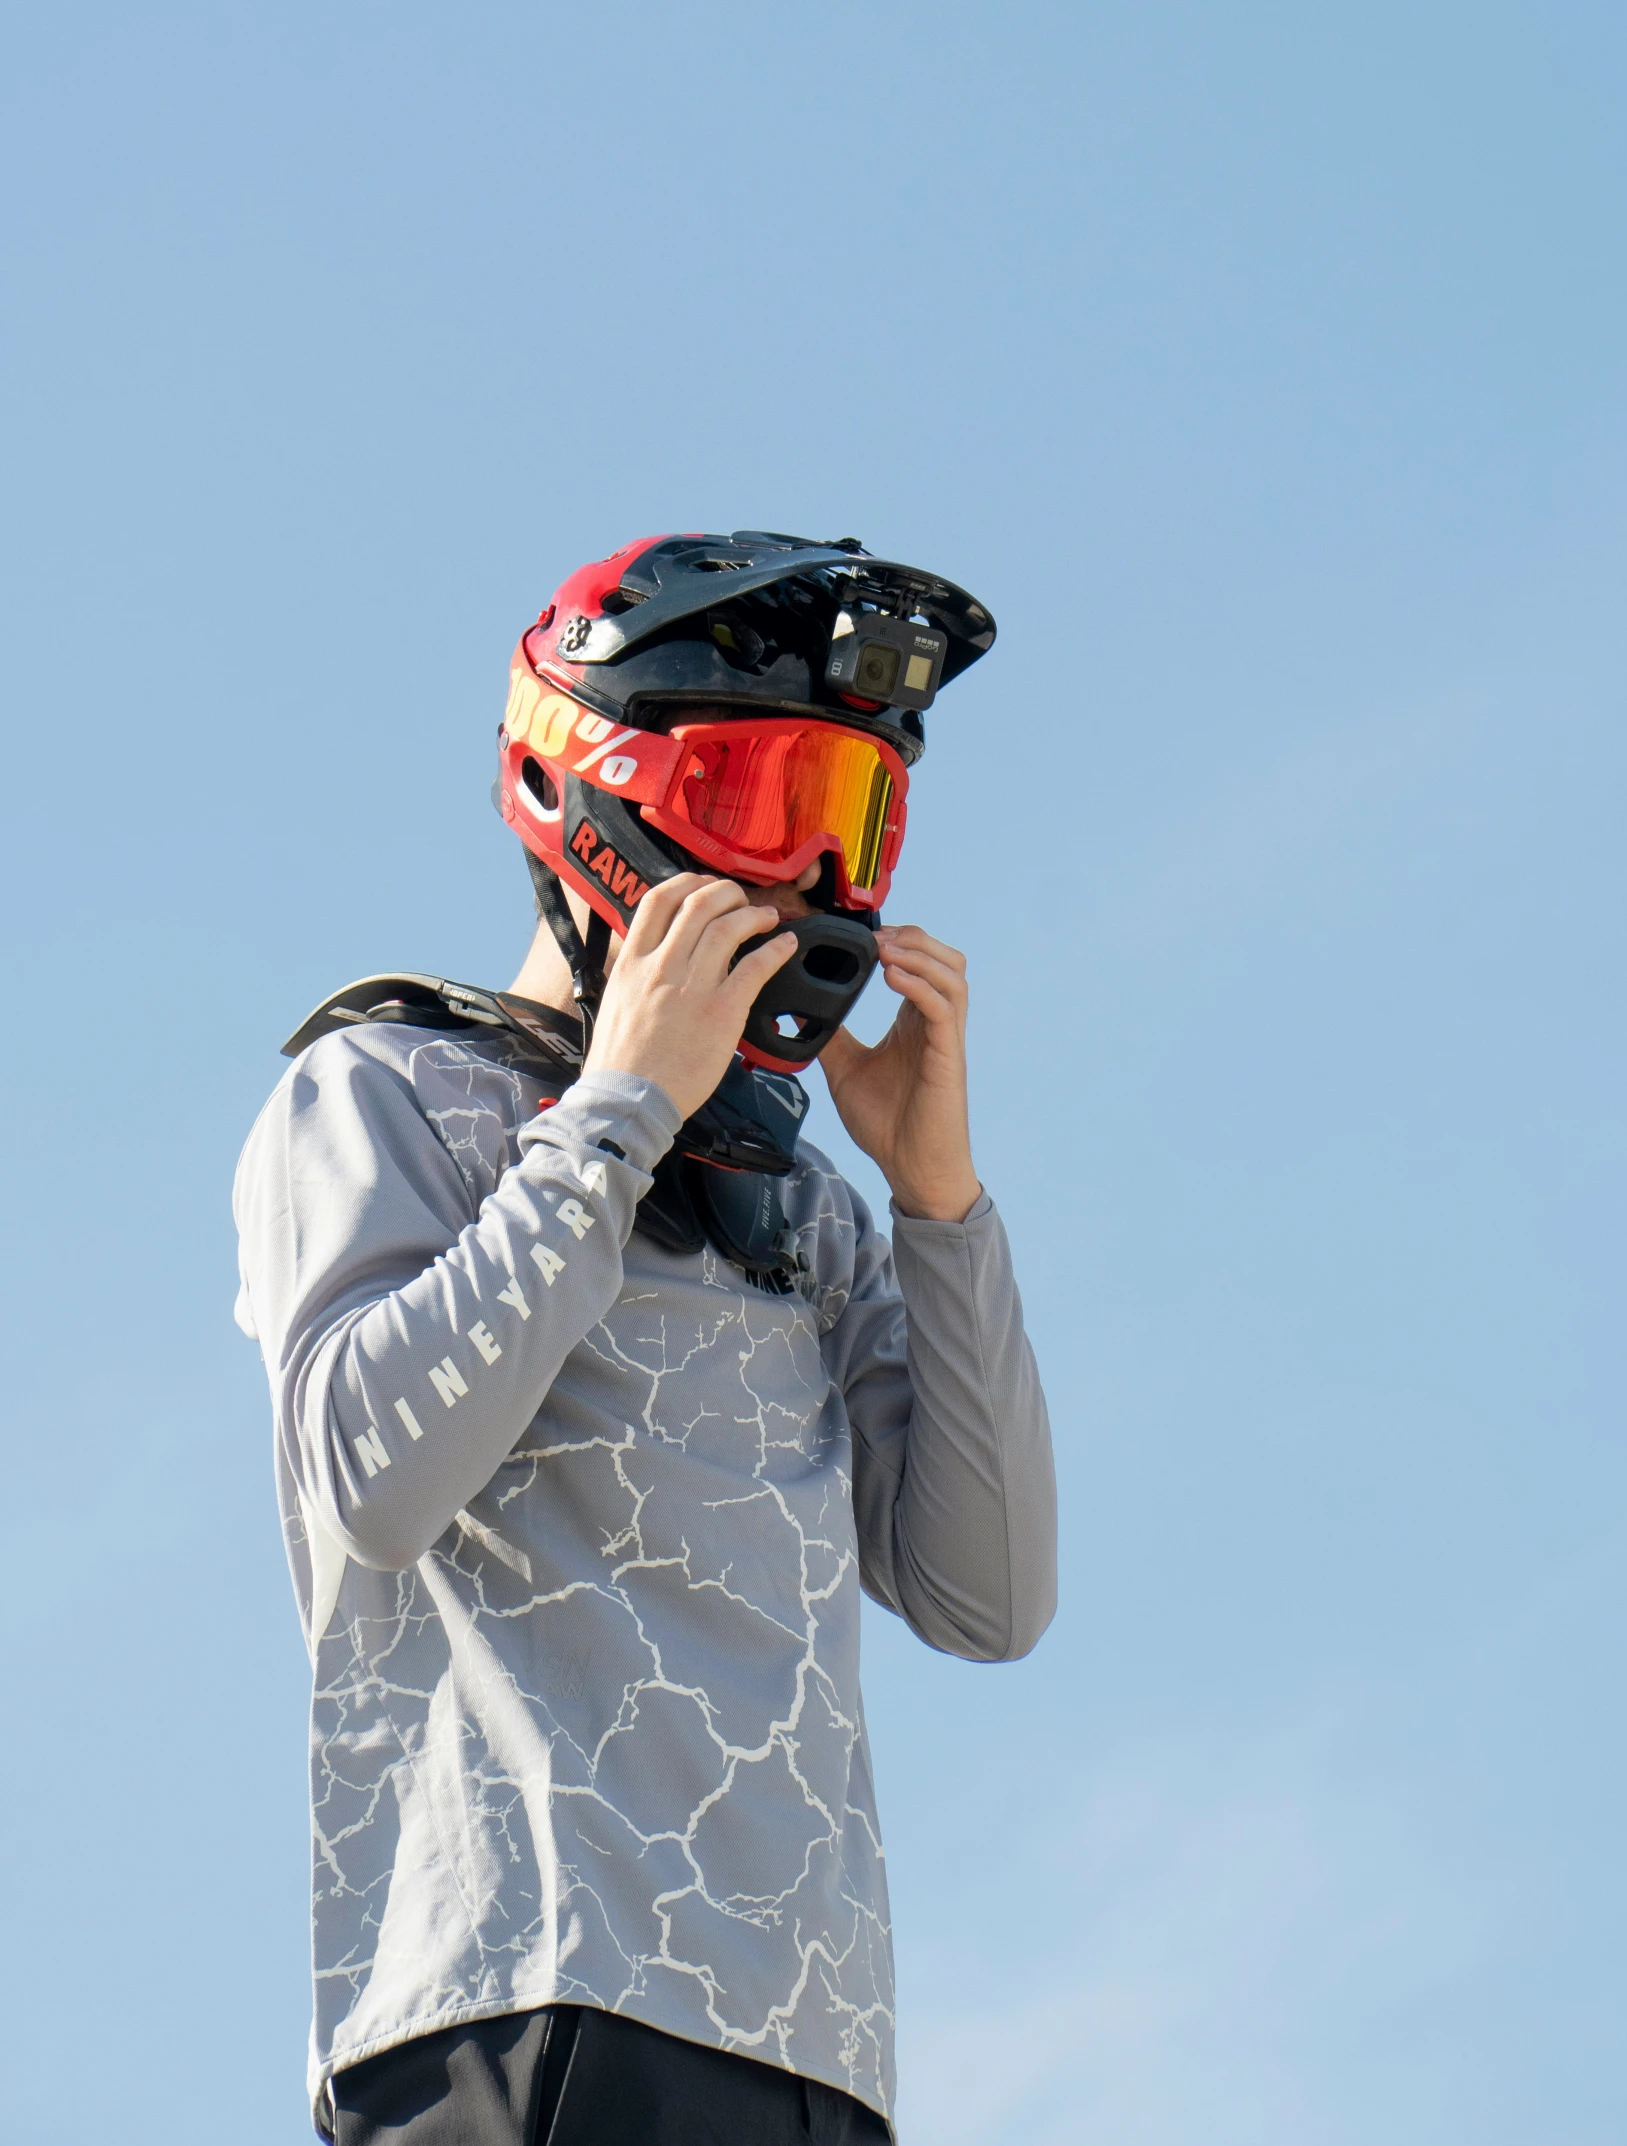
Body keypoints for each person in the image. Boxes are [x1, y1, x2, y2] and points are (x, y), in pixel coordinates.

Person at [233, 531, 1057, 2145]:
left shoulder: (800, 1203)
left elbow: (990, 1590)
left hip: (810, 2052)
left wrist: (939, 1206)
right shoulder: (394, 1089)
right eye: (764, 805)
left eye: (854, 816)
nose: (810, 879)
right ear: (593, 798)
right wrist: (617, 1111)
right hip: (525, 2009)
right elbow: (369, 1476)